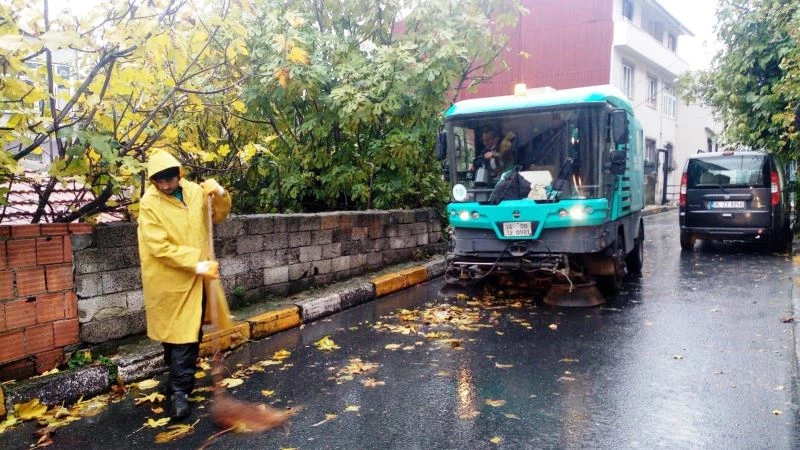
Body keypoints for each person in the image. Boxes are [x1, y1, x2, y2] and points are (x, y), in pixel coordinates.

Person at [137, 150, 234, 420]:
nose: (165, 186)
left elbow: (218, 215)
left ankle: (177, 386)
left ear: (179, 175)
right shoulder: (149, 203)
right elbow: (158, 246)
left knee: (187, 335)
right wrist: (197, 263)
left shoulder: (194, 192)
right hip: (169, 279)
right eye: (159, 181)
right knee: (178, 337)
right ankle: (179, 391)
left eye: (169, 179)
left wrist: (219, 193)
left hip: (196, 279)